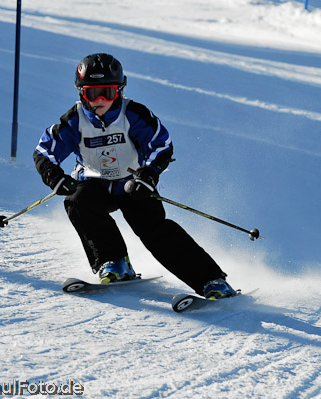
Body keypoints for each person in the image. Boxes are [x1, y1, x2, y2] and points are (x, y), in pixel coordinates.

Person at [33, 53, 235, 299]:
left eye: (106, 92)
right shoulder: (74, 120)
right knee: (77, 202)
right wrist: (54, 176)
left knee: (154, 228)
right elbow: (45, 151)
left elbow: (160, 145)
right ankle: (115, 264)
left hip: (133, 185)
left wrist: (148, 175)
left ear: (119, 90)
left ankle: (211, 280)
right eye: (91, 93)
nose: (99, 100)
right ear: (80, 93)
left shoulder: (133, 114)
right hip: (95, 184)